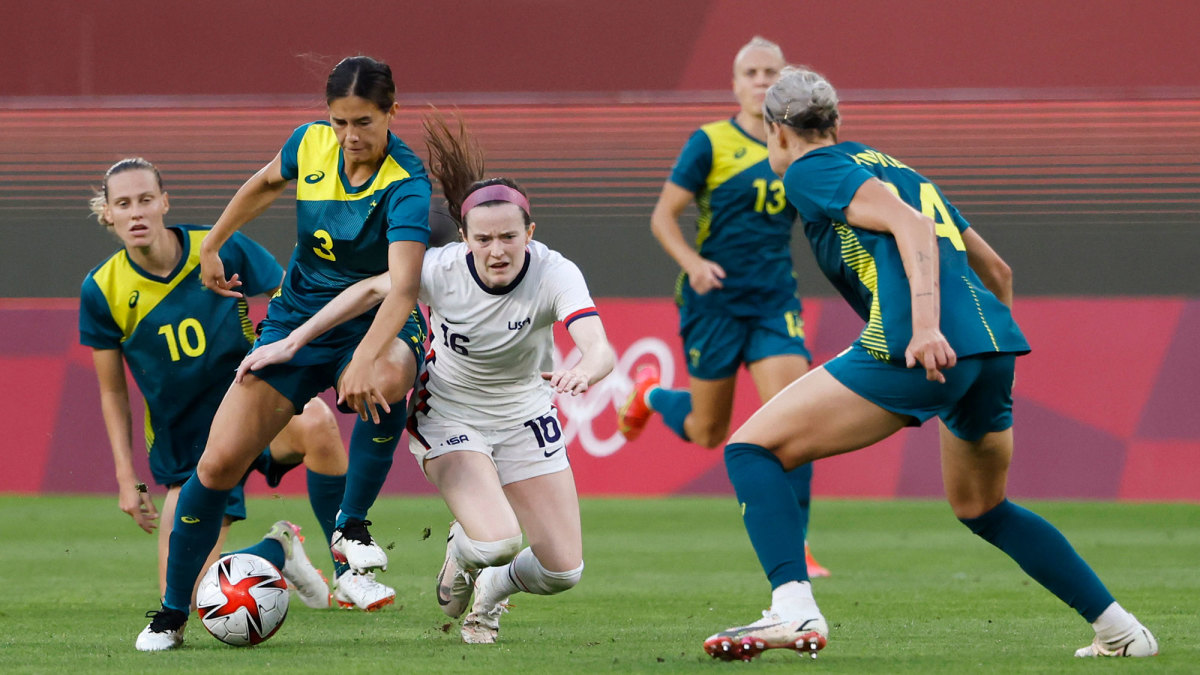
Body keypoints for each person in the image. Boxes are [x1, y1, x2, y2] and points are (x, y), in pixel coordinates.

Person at [702, 66, 1158, 661]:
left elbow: (908, 226)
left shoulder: (812, 169)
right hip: (991, 348)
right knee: (983, 507)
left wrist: (923, 327)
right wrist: (982, 349)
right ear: (837, 122)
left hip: (917, 345)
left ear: (777, 131)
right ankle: (1122, 631)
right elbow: (998, 272)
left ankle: (792, 608)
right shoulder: (898, 169)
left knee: (750, 450)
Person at [239, 110, 616, 645]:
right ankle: (465, 555)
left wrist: (587, 369)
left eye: (509, 237)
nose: (497, 250)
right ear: (464, 236)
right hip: (450, 412)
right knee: (497, 541)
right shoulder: (440, 268)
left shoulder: (555, 272)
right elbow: (368, 292)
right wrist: (294, 339)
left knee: (562, 571)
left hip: (524, 413)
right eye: (482, 239)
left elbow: (598, 347)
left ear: (529, 232)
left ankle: (488, 592)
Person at [134, 55, 432, 651]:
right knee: (217, 466)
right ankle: (170, 614)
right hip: (297, 320)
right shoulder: (309, 145)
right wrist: (213, 244)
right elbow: (266, 184)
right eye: (340, 121)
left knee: (388, 378)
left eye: (365, 123)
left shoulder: (407, 184)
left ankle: (350, 526)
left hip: (375, 319)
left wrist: (369, 358)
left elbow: (401, 289)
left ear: (393, 114)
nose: (351, 137)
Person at [80, 157, 343, 609]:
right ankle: (278, 551)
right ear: (108, 213)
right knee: (193, 600)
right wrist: (127, 480)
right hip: (188, 448)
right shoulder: (102, 290)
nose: (137, 212)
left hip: (251, 410)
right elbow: (111, 391)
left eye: (146, 200)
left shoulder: (219, 247)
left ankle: (348, 570)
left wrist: (275, 349)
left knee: (317, 420)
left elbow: (290, 296)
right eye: (123, 204)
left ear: (165, 202)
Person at [619, 36, 827, 577]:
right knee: (708, 431)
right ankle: (652, 395)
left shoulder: (801, 144)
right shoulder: (711, 142)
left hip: (774, 300)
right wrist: (692, 262)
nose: (761, 81)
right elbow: (664, 215)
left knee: (795, 420)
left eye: (771, 73)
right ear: (735, 85)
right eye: (751, 72)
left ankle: (798, 544)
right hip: (713, 304)